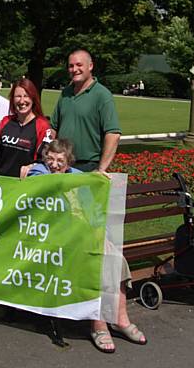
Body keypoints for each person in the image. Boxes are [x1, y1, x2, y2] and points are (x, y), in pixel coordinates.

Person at [51, 49, 142, 353]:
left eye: (79, 65)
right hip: (66, 181)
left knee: (101, 251)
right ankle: (109, 320)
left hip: (89, 181)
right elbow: (54, 131)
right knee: (99, 251)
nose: (74, 69)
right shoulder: (65, 94)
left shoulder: (101, 95)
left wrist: (101, 170)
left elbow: (112, 134)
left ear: (91, 66)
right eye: (70, 65)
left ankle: (109, 319)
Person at [27, 138, 145, 352]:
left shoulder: (79, 178)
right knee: (97, 263)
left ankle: (120, 318)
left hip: (83, 238)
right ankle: (99, 325)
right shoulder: (39, 173)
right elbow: (45, 186)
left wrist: (103, 237)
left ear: (69, 162)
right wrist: (89, 178)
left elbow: (94, 218)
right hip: (55, 240)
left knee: (116, 259)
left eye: (59, 160)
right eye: (50, 159)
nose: (54, 164)